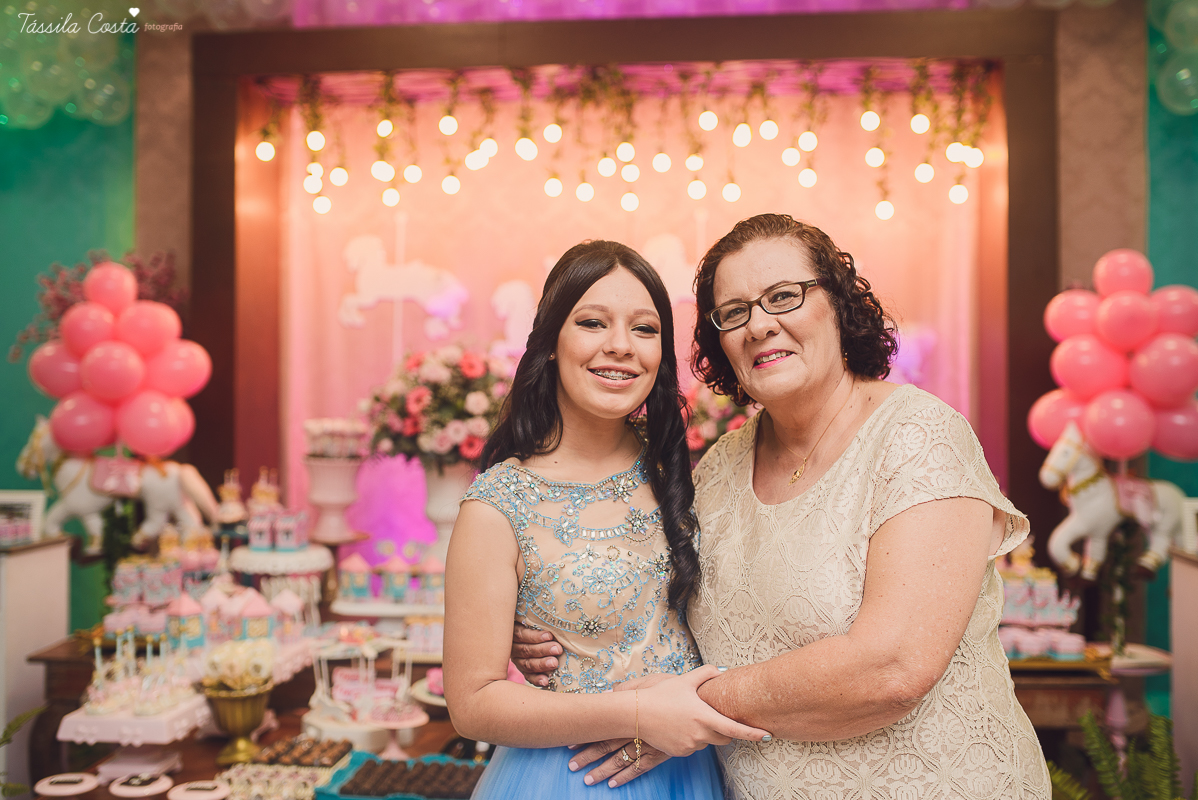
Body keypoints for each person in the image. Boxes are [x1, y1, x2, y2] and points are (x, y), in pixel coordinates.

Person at [514, 215, 1051, 799]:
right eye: (734, 312)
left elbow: (893, 668)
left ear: (838, 305)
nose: (760, 325)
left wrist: (682, 710)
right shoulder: (720, 467)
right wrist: (554, 625)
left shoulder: (918, 436)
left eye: (783, 297)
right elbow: (653, 592)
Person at [443, 240, 768, 800]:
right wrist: (638, 714)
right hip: (574, 778)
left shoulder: (688, 473)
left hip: (695, 767)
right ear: (550, 343)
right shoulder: (498, 505)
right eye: (592, 323)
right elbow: (472, 704)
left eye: (644, 329)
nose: (620, 346)